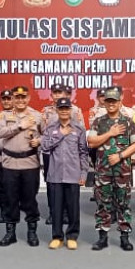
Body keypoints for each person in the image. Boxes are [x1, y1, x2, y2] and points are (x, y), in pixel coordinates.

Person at [87, 87, 135, 251]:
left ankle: (125, 237)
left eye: (114, 101)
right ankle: (102, 237)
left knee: (123, 204)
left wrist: (121, 156)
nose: (111, 104)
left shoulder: (128, 121)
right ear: (104, 102)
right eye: (108, 101)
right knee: (103, 204)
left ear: (119, 102)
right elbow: (91, 142)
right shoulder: (99, 121)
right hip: (103, 170)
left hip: (122, 170)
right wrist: (110, 133)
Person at [0, 85, 46, 247]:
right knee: (10, 200)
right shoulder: (2, 116)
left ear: (28, 98)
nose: (20, 100)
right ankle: (10, 233)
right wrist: (20, 126)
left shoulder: (36, 116)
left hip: (29, 163)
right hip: (9, 163)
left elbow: (47, 135)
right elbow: (0, 133)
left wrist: (39, 141)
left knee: (30, 199)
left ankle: (32, 232)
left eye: (24, 97)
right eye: (17, 97)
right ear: (13, 99)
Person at [40, 97, 89, 250]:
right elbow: (45, 147)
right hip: (55, 174)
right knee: (56, 207)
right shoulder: (50, 128)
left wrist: (84, 174)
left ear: (71, 110)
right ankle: (57, 236)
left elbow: (83, 152)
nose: (64, 111)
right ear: (57, 110)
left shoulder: (79, 129)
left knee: (73, 207)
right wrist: (60, 134)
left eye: (66, 108)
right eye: (61, 109)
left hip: (73, 174)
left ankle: (72, 235)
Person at [0, 89, 13, 223]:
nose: (6, 101)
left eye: (9, 99)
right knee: (1, 187)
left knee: (14, 186)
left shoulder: (19, 115)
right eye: (4, 99)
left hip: (15, 158)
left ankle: (13, 211)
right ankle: (4, 211)